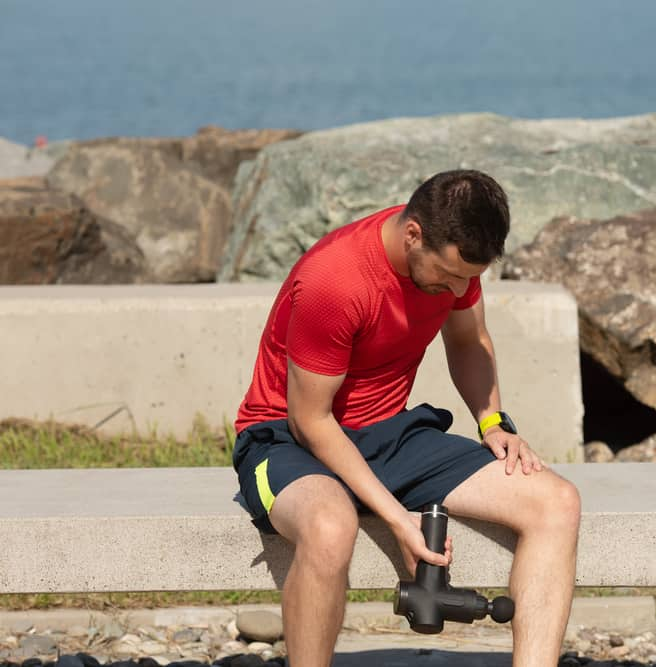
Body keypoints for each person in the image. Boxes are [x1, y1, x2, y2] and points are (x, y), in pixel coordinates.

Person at [231, 169, 581, 667]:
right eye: (450, 274)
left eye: (471, 277)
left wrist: (492, 423)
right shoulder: (335, 281)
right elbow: (311, 421)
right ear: (413, 234)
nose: (460, 288)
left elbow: (467, 341)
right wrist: (399, 519)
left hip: (388, 435)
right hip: (285, 439)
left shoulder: (455, 267)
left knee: (556, 502)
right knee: (331, 527)